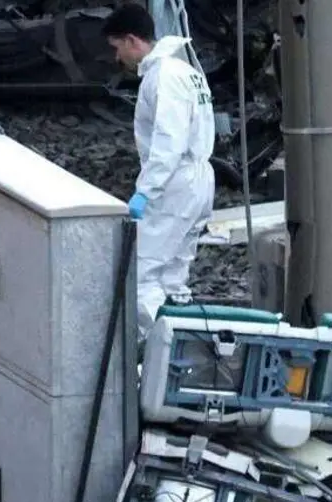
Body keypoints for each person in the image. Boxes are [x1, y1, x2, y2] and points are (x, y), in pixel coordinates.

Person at [103, 3, 216, 341]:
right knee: (173, 278)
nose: (117, 57)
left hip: (175, 182)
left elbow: (169, 140)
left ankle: (159, 354)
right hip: (199, 179)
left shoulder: (163, 76)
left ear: (132, 40)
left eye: (116, 47)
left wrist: (145, 192)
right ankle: (188, 353)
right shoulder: (187, 70)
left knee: (140, 276)